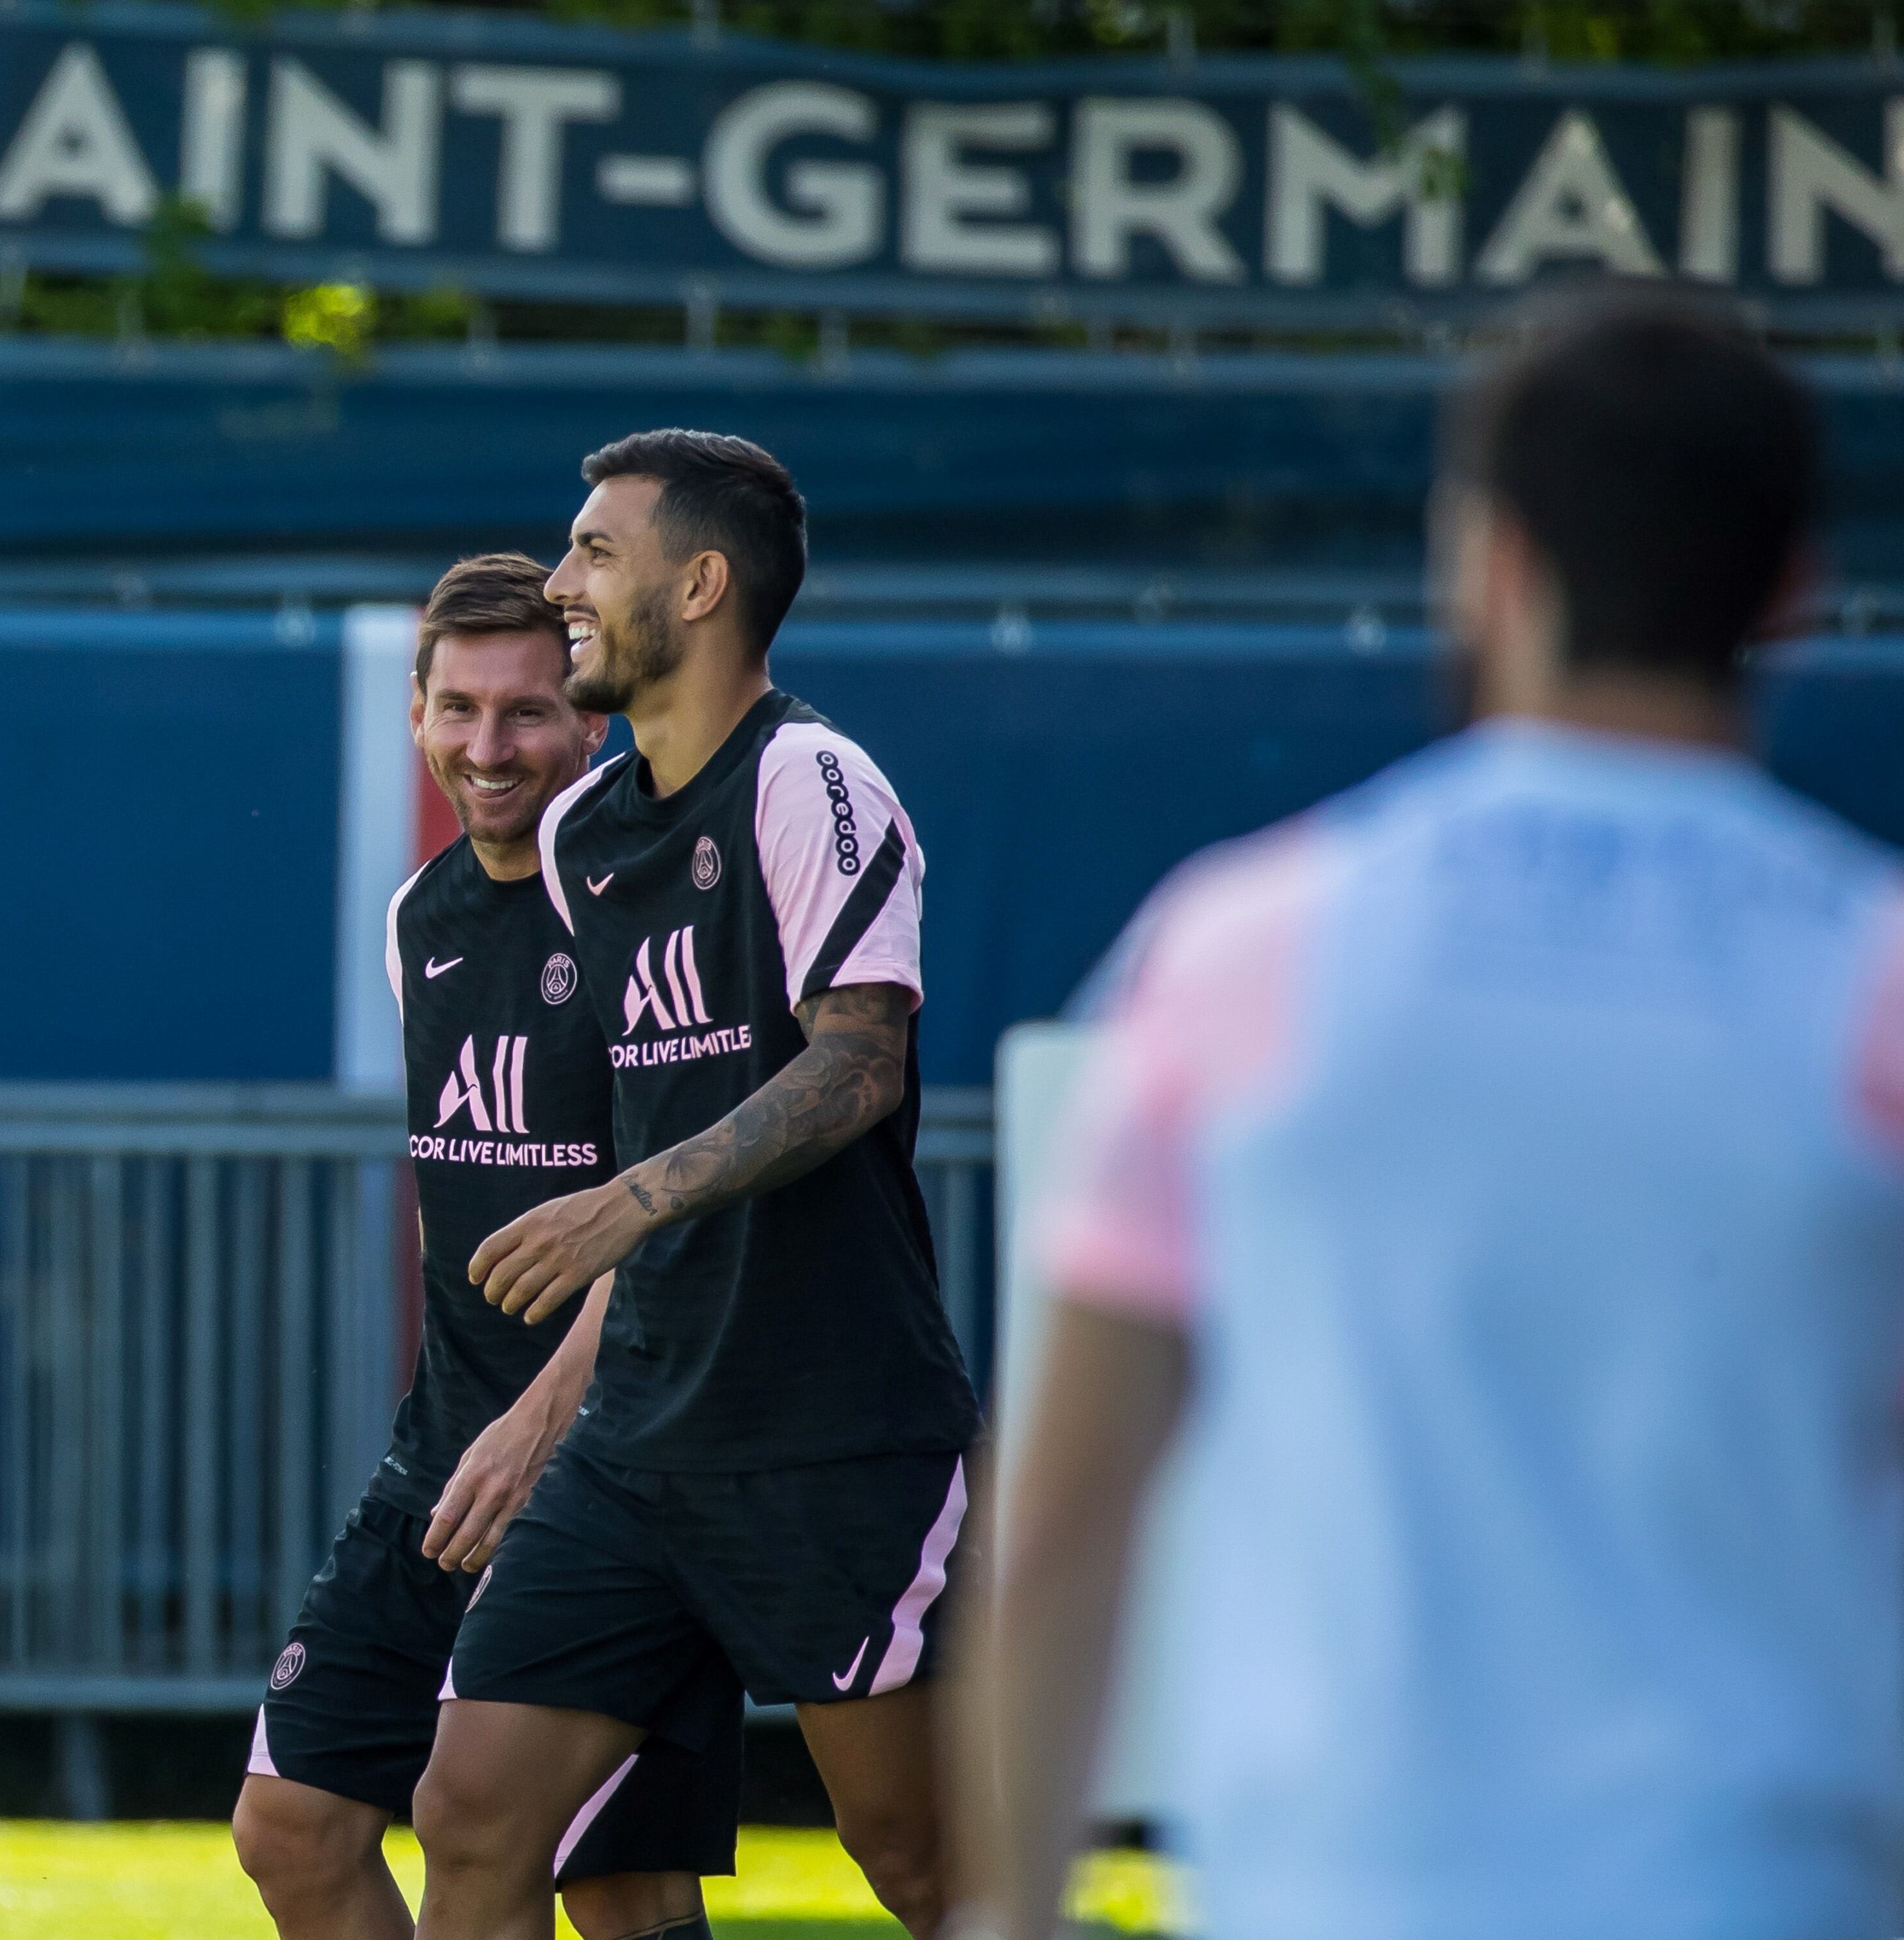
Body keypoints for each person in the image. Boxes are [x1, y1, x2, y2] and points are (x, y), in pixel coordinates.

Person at [970, 290, 1904, 1940]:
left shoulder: (1243, 945)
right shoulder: (1870, 982)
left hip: (1330, 1887)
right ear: (1795, 589)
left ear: (1485, 559)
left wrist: (1009, 1910)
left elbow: (1062, 1511)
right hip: (1767, 1887)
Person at [411, 433, 981, 1940]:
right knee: (470, 1814)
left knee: (928, 1866)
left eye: (597, 549)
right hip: (638, 1438)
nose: (561, 579)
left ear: (703, 582)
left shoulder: (814, 779)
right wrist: (549, 1393)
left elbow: (859, 1065)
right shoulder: (587, 827)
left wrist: (633, 1200)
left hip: (832, 1432)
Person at [234, 552, 739, 1940]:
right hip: (442, 1460)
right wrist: (470, 1422)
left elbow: (682, 1208)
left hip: (613, 1468)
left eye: (525, 711)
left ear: (591, 715)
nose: (489, 745)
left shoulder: (656, 910)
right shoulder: (423, 917)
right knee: (292, 1830)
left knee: (605, 1879)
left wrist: (538, 1427)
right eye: (457, 709)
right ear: (415, 719)